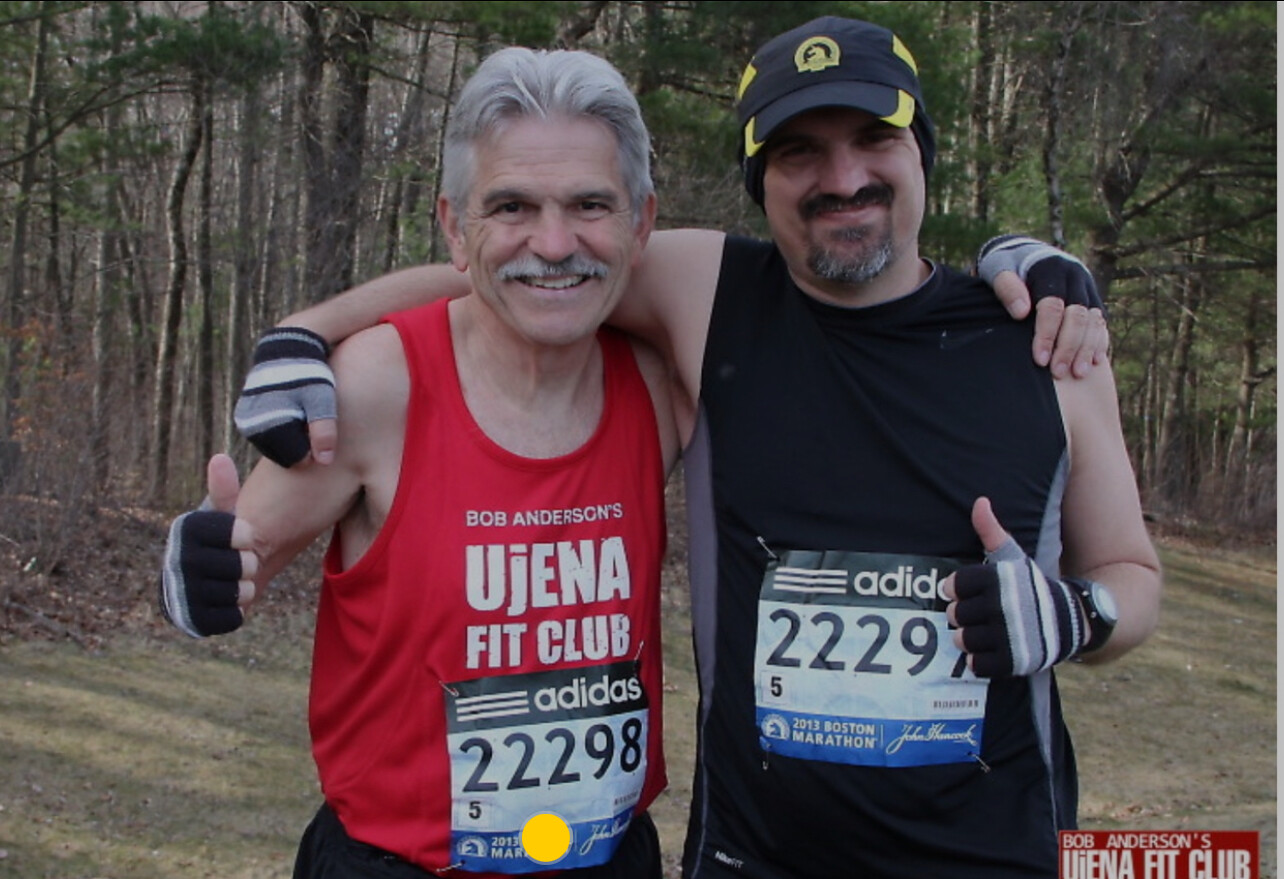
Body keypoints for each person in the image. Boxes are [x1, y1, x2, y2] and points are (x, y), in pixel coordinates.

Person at [222, 17, 1161, 879]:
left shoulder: (1047, 347)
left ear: (923, 151)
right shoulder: (711, 295)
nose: (843, 178)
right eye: (798, 151)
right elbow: (521, 268)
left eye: (875, 138)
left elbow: (1131, 570)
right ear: (762, 181)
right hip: (751, 857)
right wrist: (305, 332)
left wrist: (1081, 613)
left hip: (997, 854)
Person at [161, 47, 688, 878]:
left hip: (608, 857)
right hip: (398, 861)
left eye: (590, 204)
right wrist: (198, 567)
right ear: (453, 225)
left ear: (641, 221)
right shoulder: (377, 385)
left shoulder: (663, 383)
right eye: (511, 206)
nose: (554, 242)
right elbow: (229, 564)